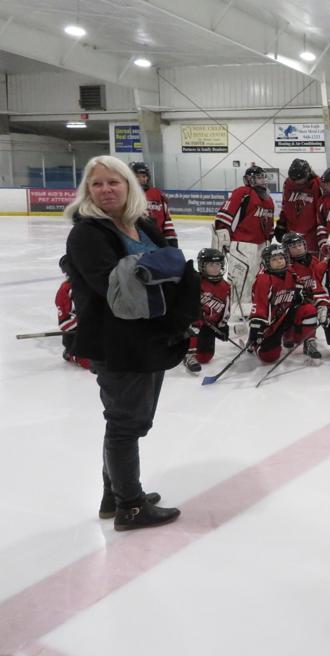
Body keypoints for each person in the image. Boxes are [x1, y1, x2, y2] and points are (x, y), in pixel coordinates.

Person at [64, 155, 198, 530]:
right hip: (116, 345)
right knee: (125, 423)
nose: (105, 189)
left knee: (132, 422)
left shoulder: (143, 224)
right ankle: (130, 506)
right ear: (87, 191)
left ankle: (116, 494)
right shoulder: (88, 233)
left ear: (129, 186)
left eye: (113, 182)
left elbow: (176, 265)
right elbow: (120, 292)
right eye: (97, 184)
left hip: (150, 339)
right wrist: (164, 273)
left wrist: (161, 276)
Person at [213, 165, 275, 321]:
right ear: (250, 180)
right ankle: (235, 314)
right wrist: (223, 240)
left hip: (261, 246)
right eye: (259, 177)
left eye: (263, 177)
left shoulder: (268, 199)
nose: (262, 180)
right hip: (242, 245)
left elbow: (268, 225)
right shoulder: (242, 192)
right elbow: (223, 218)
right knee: (240, 280)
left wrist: (269, 240)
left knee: (257, 280)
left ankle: (253, 311)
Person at [248, 244, 321, 362]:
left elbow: (299, 285)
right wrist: (256, 329)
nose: (279, 262)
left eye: (281, 258)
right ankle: (256, 345)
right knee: (269, 357)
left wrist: (300, 292)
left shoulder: (290, 272)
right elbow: (259, 306)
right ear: (267, 262)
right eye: (274, 259)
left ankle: (305, 341)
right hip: (271, 323)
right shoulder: (263, 279)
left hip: (285, 314)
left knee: (309, 309)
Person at [281, 231, 330, 359]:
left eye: (299, 245)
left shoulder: (315, 262)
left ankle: (309, 342)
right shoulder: (285, 267)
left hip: (311, 303)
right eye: (293, 247)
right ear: (286, 250)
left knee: (312, 309)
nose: (298, 249)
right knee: (290, 339)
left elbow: (322, 284)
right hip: (290, 308)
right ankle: (288, 331)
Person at [184, 248, 231, 373]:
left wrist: (222, 325)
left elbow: (226, 308)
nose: (215, 268)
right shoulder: (196, 282)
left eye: (218, 264)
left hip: (209, 326)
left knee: (205, 357)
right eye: (211, 265)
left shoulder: (225, 286)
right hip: (193, 323)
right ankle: (188, 355)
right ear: (202, 266)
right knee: (193, 326)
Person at [274, 158, 322, 252]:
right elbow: (285, 205)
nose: (297, 182)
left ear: (308, 174)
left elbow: (322, 210)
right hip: (291, 232)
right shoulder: (288, 183)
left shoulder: (318, 184)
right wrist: (281, 224)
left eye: (300, 179)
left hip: (312, 235)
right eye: (294, 179)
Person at [130, 161, 178, 247]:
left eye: (144, 176)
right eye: (137, 176)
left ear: (148, 177)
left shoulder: (157, 194)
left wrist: (172, 241)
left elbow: (166, 220)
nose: (141, 179)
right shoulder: (127, 195)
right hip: (135, 242)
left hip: (157, 240)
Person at [56, 256, 90, 369]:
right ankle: (71, 353)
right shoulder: (65, 290)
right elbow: (63, 325)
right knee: (93, 362)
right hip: (76, 337)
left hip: (96, 332)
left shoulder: (92, 282)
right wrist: (81, 320)